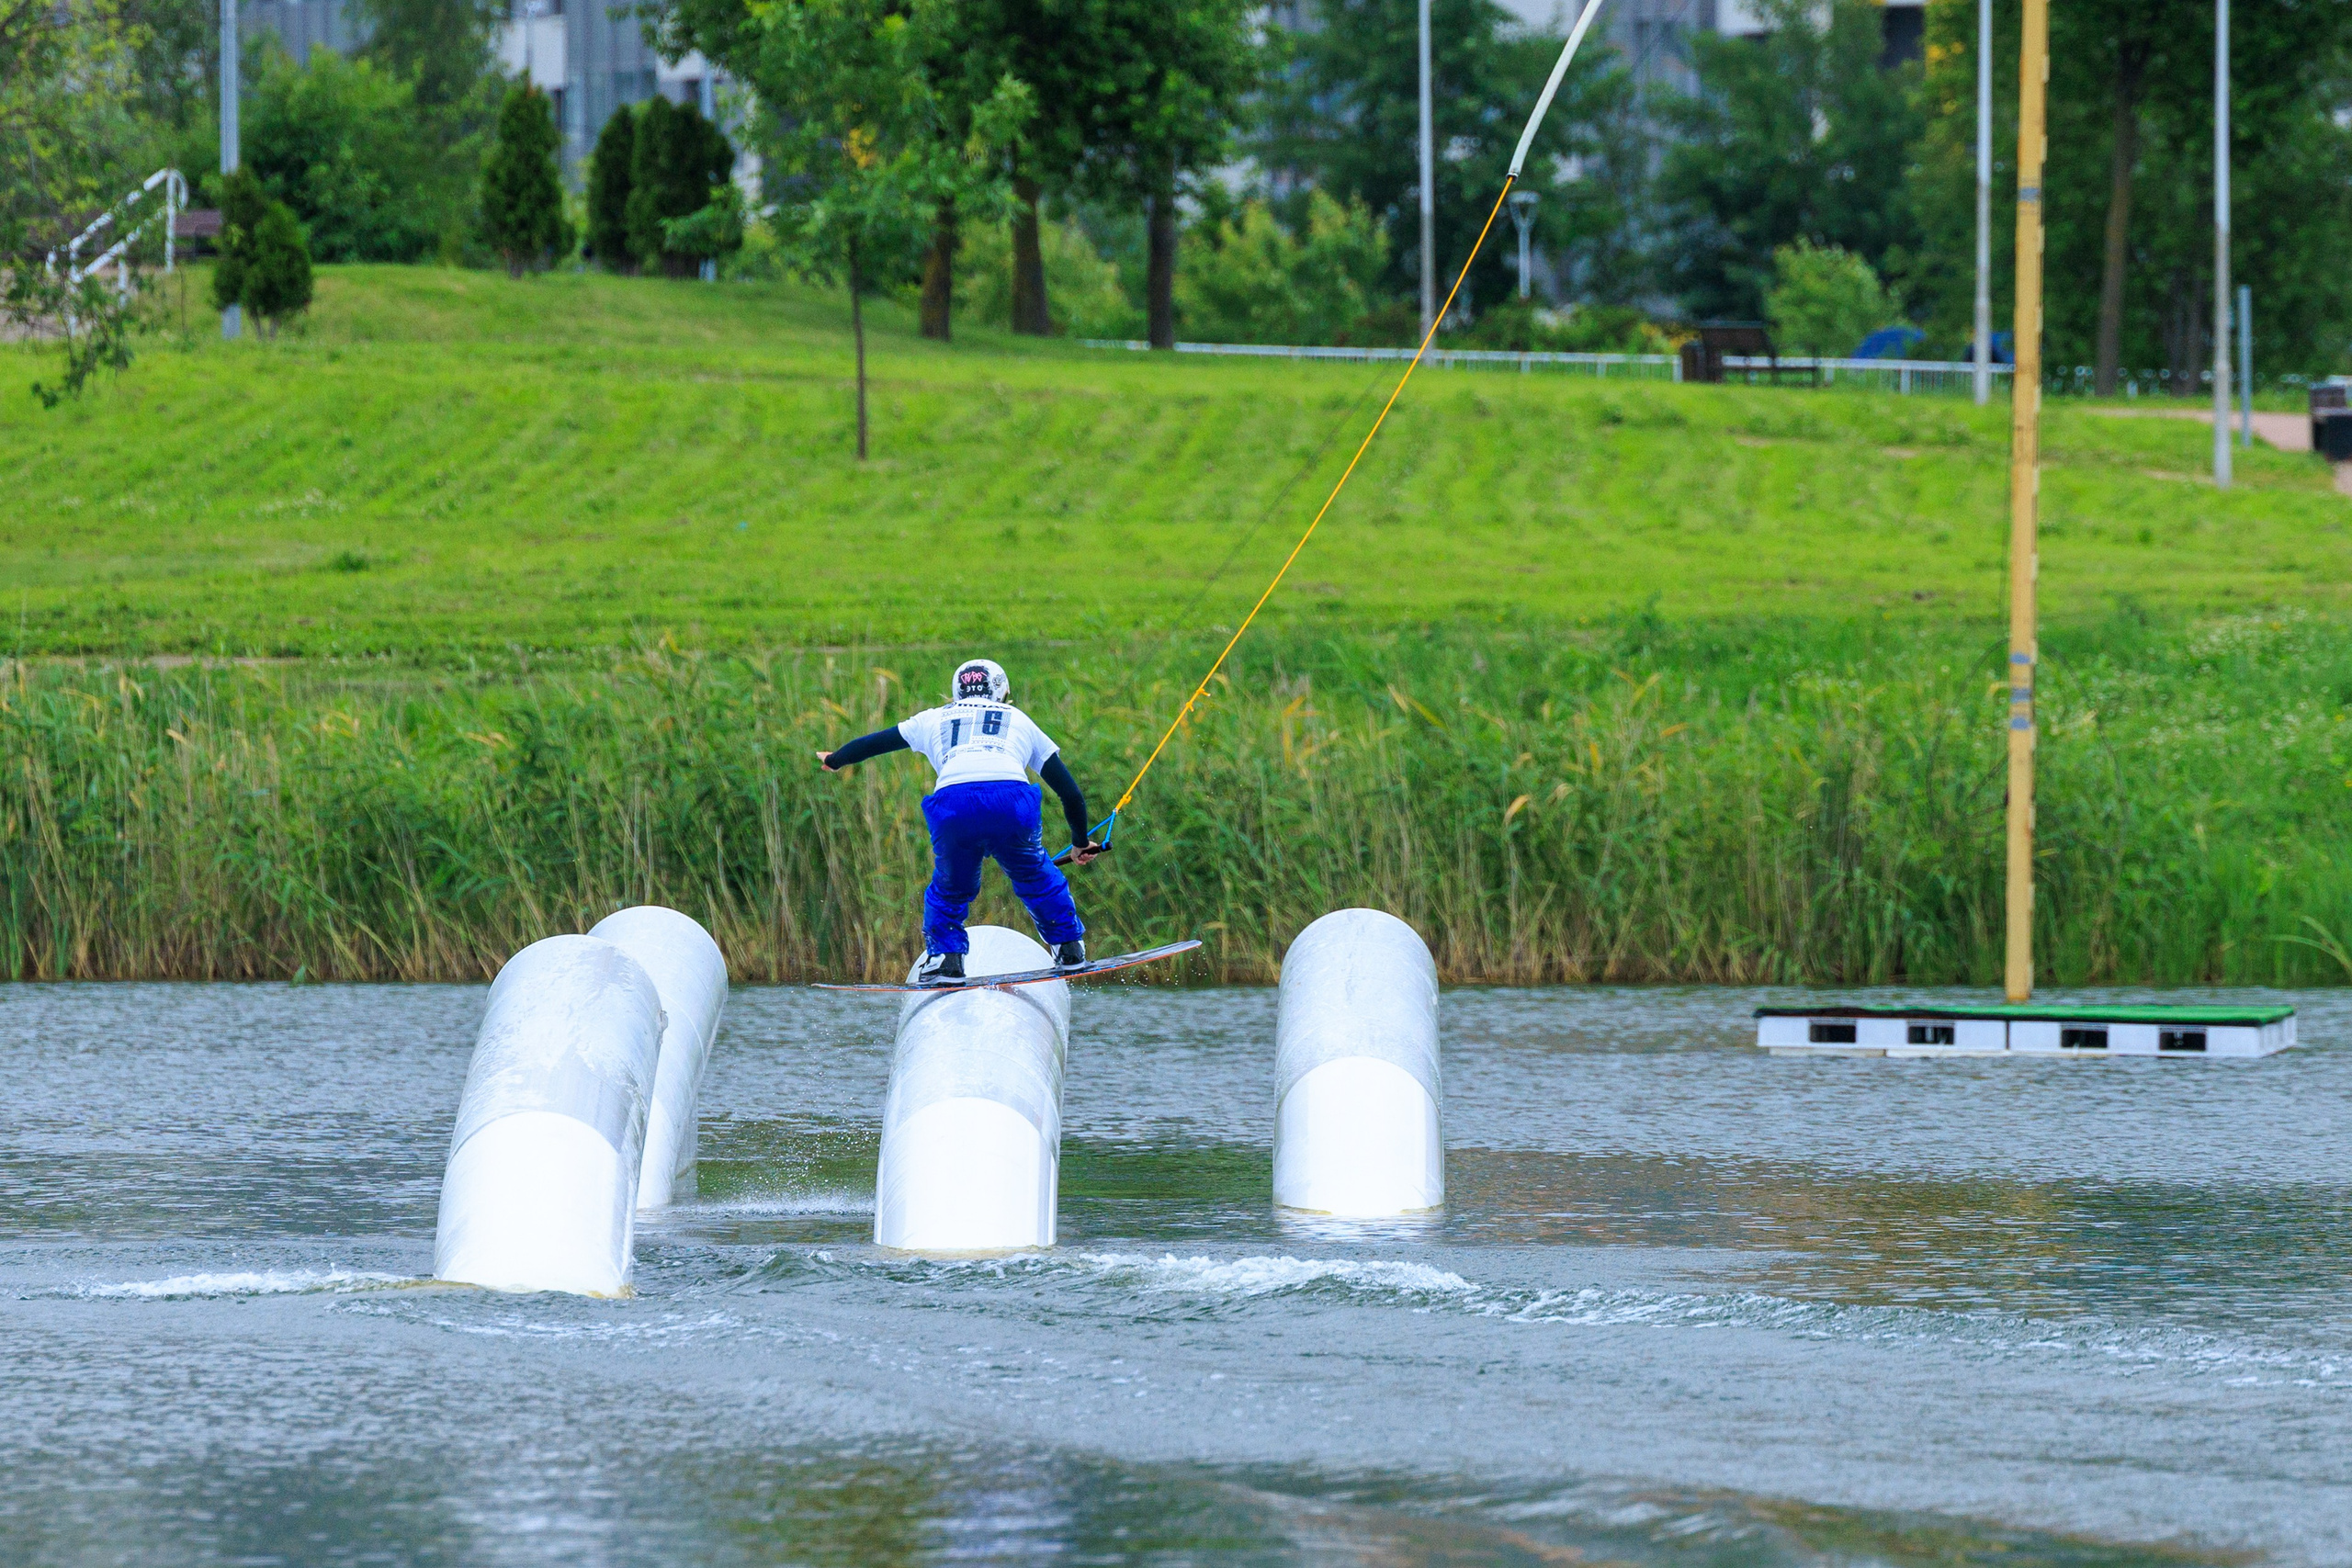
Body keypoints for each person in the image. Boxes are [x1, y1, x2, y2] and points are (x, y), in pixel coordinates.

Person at [819, 658, 1105, 984]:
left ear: (956, 692)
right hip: (1011, 803)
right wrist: (1081, 842)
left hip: (954, 807)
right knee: (1035, 876)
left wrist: (835, 759)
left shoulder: (933, 718)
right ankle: (1069, 948)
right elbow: (1071, 794)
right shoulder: (1018, 719)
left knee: (950, 887)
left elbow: (873, 744)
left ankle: (946, 959)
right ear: (1001, 691)